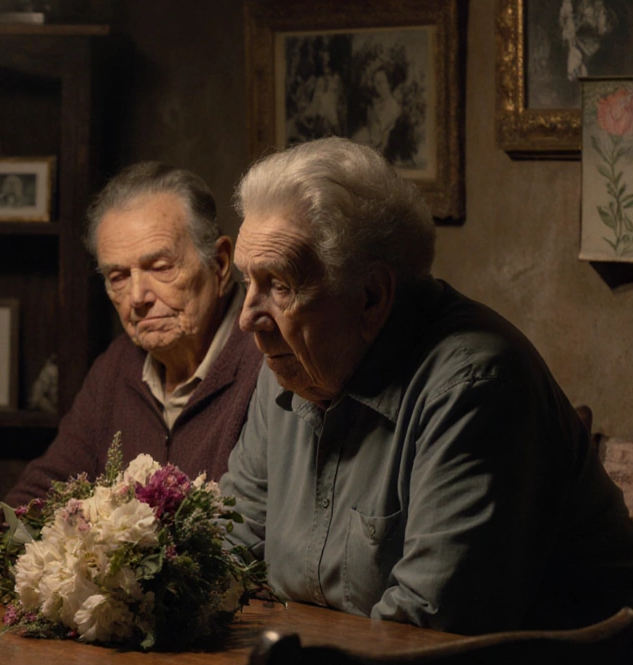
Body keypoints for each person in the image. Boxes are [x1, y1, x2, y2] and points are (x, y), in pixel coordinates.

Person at [223, 137, 633, 635]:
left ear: (371, 297)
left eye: (281, 286)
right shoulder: (292, 367)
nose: (247, 319)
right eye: (248, 282)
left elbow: (426, 636)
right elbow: (228, 551)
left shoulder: (473, 387)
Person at [4, 162, 264, 507]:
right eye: (118, 277)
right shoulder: (116, 367)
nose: (138, 297)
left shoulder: (270, 362)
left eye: (160, 268)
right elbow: (35, 499)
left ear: (219, 264)